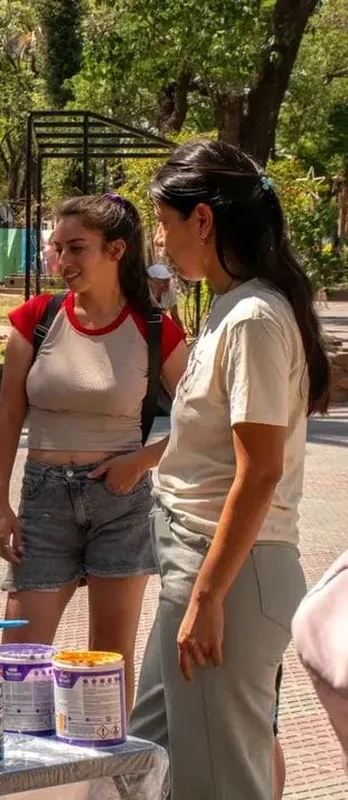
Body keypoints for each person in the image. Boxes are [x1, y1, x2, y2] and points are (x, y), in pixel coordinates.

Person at [128, 140, 326, 800]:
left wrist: (210, 596)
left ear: (203, 221)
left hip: (230, 576)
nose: (160, 238)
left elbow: (261, 470)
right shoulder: (228, 307)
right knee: (150, 758)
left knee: (218, 784)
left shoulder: (252, 319)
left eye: (164, 222)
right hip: (200, 568)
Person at [0, 194, 189, 713]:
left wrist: (142, 461)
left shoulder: (155, 330)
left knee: (108, 666)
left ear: (116, 249)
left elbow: (205, 419)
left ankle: (110, 788)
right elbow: (8, 416)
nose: (63, 261)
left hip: (120, 500)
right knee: (18, 664)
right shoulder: (36, 317)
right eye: (57, 248)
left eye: (76, 247)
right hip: (44, 498)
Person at [147, 262, 185, 327]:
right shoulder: (144, 292)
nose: (166, 284)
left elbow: (175, 316)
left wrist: (181, 333)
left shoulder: (170, 290)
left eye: (167, 280)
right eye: (161, 281)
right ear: (151, 282)